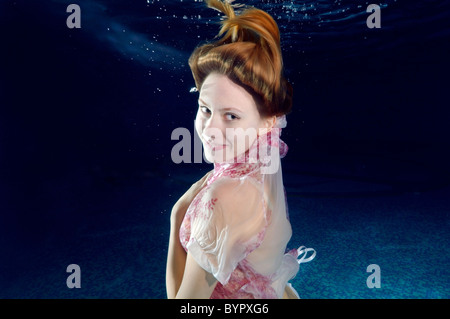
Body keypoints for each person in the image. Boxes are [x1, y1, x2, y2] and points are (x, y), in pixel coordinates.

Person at [166, 0, 315, 299]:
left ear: (267, 122)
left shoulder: (226, 196)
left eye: (231, 116)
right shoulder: (263, 159)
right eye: (205, 109)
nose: (209, 130)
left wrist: (177, 216)